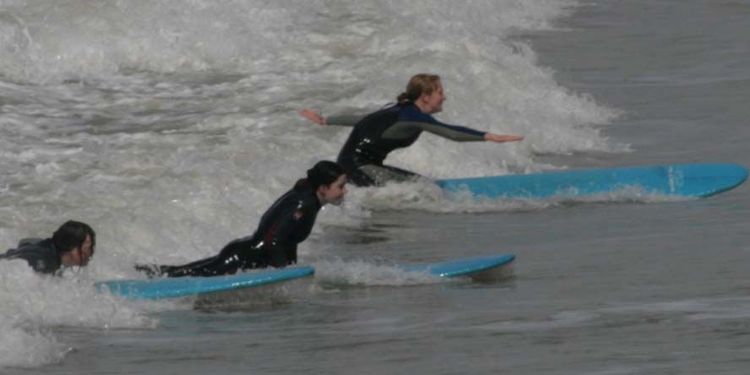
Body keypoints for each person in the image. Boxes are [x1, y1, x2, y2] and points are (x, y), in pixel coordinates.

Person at [300, 73, 524, 186]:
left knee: (421, 188)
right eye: (439, 93)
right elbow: (451, 133)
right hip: (357, 167)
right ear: (426, 97)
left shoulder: (401, 109)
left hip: (357, 165)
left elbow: (363, 120)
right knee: (424, 191)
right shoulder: (413, 116)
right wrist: (492, 137)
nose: (444, 97)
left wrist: (325, 120)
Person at [137, 160, 347, 278]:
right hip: (243, 258)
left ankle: (142, 272)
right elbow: (273, 239)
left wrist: (291, 268)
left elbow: (287, 241)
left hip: (246, 253)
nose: (344, 191)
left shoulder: (308, 200)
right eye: (340, 186)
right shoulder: (304, 204)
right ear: (323, 188)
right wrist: (284, 271)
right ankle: (138, 275)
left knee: (180, 272)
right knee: (178, 275)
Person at [0, 220, 96, 275]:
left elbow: (25, 242)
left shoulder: (49, 246)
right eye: (88, 248)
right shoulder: (45, 261)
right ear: (72, 249)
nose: (91, 253)